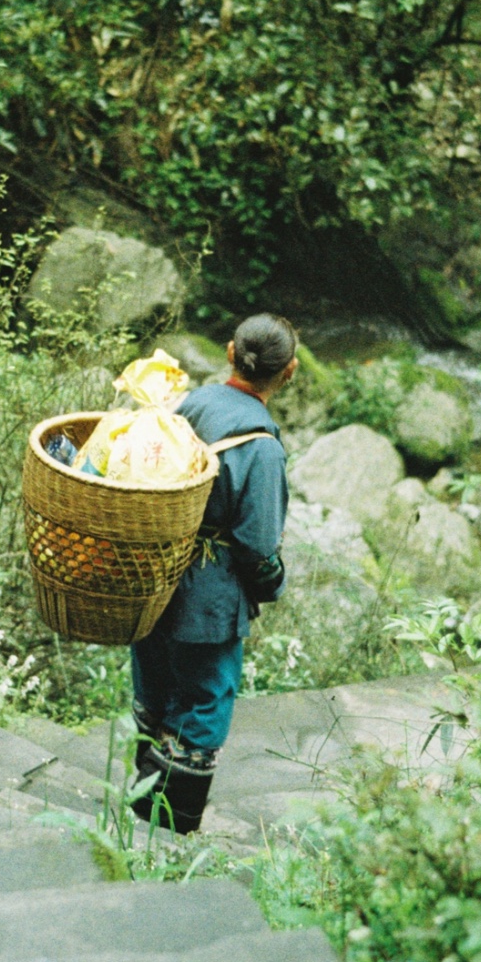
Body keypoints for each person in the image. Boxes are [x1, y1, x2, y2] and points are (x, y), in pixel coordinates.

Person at [130, 313, 298, 834]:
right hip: (209, 599)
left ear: (229, 352)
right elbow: (256, 544)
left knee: (155, 687)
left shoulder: (185, 405)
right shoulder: (263, 448)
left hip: (153, 576)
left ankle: (139, 808)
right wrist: (272, 585)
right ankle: (173, 827)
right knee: (204, 698)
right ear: (289, 372)